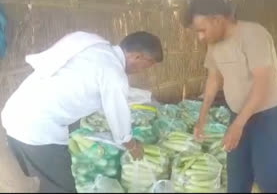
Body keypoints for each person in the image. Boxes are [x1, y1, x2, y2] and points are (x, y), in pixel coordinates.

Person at [1, 31, 163, 193]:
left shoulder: (92, 43)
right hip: (38, 129)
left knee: (33, 181)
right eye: (147, 65)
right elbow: (120, 124)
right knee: (61, 188)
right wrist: (133, 146)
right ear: (138, 57)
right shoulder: (114, 72)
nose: (143, 71)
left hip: (15, 114)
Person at [184, 0, 277, 193]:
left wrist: (238, 125)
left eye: (202, 30)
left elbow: (262, 85)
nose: (201, 37)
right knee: (237, 177)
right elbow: (213, 79)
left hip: (267, 117)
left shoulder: (253, 34)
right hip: (237, 115)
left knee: (270, 179)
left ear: (217, 19)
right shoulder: (214, 44)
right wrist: (201, 118)